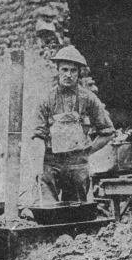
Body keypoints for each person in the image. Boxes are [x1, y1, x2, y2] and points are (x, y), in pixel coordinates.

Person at [30, 45, 115, 204]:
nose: (68, 75)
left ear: (79, 73)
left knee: (77, 211)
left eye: (73, 71)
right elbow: (38, 136)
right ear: (58, 70)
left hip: (76, 163)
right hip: (51, 162)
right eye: (64, 70)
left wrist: (87, 151)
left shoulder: (88, 98)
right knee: (50, 209)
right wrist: (37, 167)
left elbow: (108, 132)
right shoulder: (46, 99)